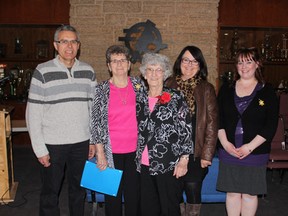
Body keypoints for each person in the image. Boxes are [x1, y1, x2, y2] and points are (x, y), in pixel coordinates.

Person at [25, 25, 97, 216]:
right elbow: (33, 113)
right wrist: (39, 148)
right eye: (64, 41)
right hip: (53, 143)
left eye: (73, 41)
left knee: (78, 190)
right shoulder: (42, 71)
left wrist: (92, 139)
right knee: (50, 191)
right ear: (56, 45)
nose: (69, 46)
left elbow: (94, 109)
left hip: (81, 142)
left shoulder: (88, 71)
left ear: (78, 45)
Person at [216, 47, 279, 216]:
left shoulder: (267, 92)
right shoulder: (226, 89)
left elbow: (270, 125)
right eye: (240, 62)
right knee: (232, 192)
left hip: (255, 152)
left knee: (250, 194)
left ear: (257, 64)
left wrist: (249, 147)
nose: (244, 66)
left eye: (248, 62)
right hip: (228, 150)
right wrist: (225, 143)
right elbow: (218, 119)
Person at [136, 52, 193, 216]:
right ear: (145, 74)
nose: (154, 74)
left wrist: (184, 159)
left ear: (165, 74)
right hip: (143, 165)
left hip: (169, 165)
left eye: (158, 70)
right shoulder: (139, 98)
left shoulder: (175, 97)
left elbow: (186, 130)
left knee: (169, 208)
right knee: (147, 209)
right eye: (150, 70)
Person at [165, 45, 218, 216]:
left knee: (192, 189)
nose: (189, 64)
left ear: (200, 65)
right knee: (174, 191)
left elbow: (212, 123)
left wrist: (207, 154)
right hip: (171, 150)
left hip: (196, 151)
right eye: (185, 60)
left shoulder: (206, 88)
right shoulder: (168, 84)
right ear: (179, 62)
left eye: (194, 61)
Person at [90, 45, 141, 216]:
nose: (119, 65)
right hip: (111, 152)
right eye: (115, 61)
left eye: (123, 60)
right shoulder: (101, 89)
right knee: (113, 196)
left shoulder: (139, 85)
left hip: (136, 152)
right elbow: (95, 123)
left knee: (134, 195)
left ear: (129, 64)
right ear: (108, 66)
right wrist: (100, 153)